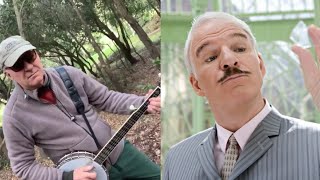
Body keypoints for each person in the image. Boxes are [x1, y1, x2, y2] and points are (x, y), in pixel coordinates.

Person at [163, 12, 320, 180]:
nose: (229, 60)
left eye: (239, 48)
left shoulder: (315, 143)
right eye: (211, 57)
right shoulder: (175, 161)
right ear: (196, 85)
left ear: (260, 66)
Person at [0, 35, 160, 180]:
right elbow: (23, 167)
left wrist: (141, 103)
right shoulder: (14, 117)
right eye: (18, 65)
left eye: (30, 57)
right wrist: (67, 177)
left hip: (121, 152)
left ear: (37, 54)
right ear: (8, 74)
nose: (29, 67)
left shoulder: (68, 75)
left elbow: (107, 98)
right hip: (90, 176)